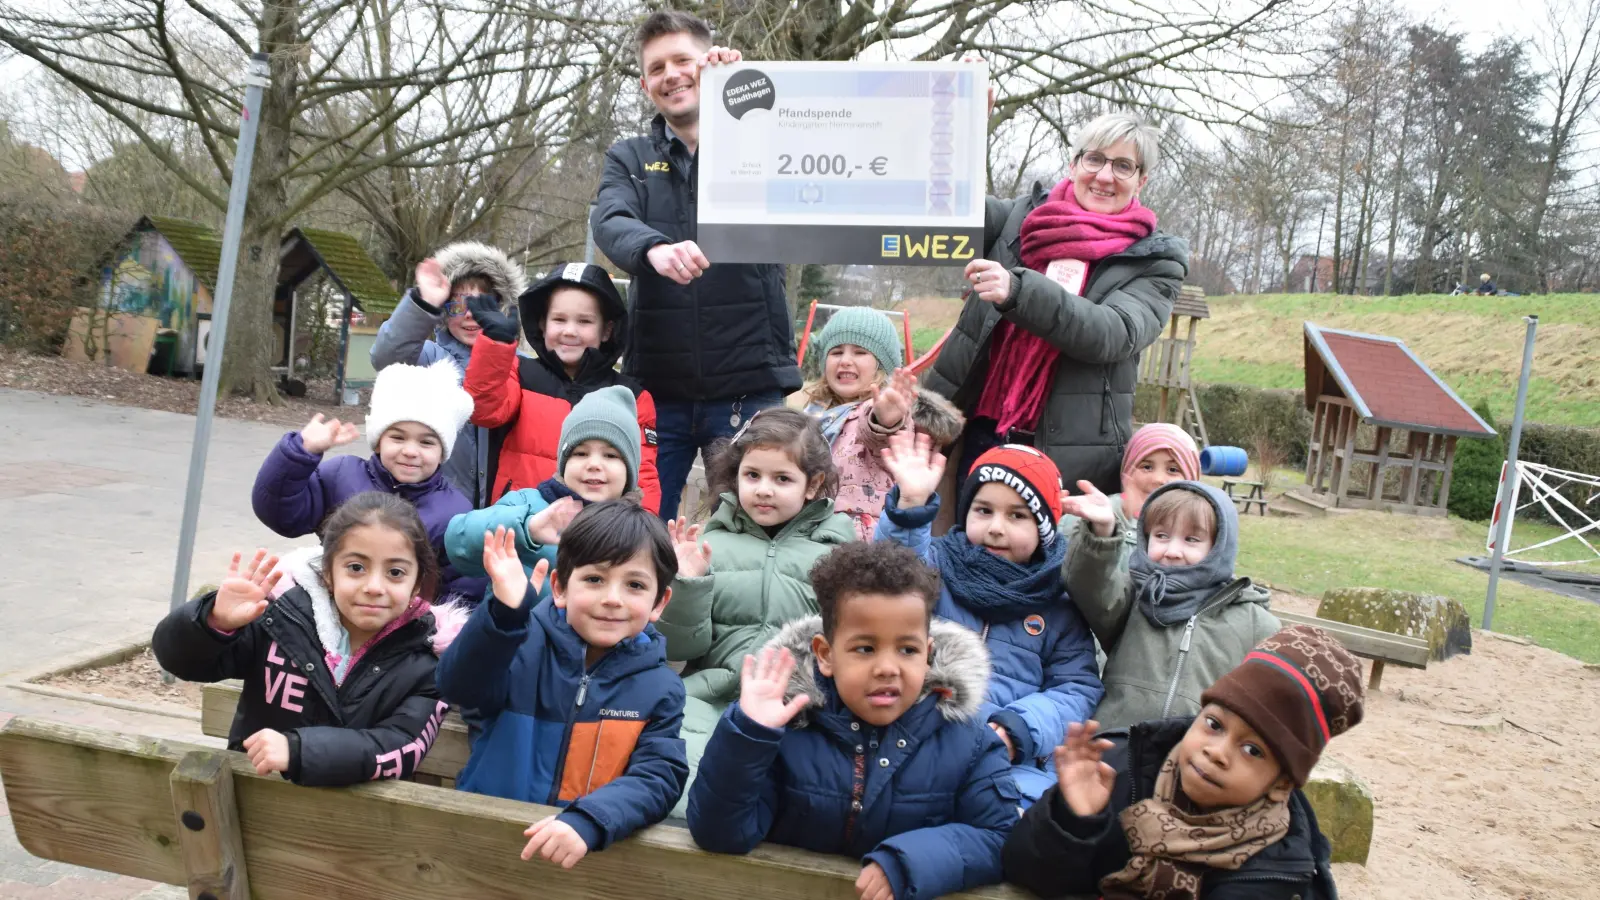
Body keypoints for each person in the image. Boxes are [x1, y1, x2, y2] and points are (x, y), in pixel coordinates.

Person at [687, 540, 1019, 900]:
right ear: (825, 655)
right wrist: (748, 736)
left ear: (928, 655)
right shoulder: (786, 728)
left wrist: (908, 862)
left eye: (907, 649)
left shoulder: (967, 740)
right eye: (865, 648)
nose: (887, 668)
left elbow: (1000, 836)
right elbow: (720, 833)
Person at [591, 10, 801, 521]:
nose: (672, 75)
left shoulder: (758, 138)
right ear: (646, 85)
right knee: (635, 529)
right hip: (656, 390)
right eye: (657, 68)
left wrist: (745, 92)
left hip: (750, 386)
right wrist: (652, 249)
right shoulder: (630, 157)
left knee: (755, 531)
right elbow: (611, 219)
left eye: (683, 60)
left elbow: (817, 158)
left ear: (709, 65)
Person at [923, 112, 1188, 495]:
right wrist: (964, 117)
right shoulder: (1019, 218)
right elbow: (947, 205)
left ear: (1141, 180)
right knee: (967, 549)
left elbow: (1111, 332)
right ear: (1074, 163)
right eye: (1094, 158)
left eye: (1123, 166)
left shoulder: (1155, 260)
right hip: (980, 432)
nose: (1104, 175)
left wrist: (1019, 291)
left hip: (1069, 462)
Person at [1002, 624, 1363, 900]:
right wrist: (1072, 819)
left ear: (1282, 782)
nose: (1218, 752)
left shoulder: (1276, 869)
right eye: (1214, 724)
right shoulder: (1123, 770)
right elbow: (1025, 870)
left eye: (1253, 750)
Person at [434, 501, 687, 868]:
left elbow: (658, 777)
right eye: (594, 579)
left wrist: (590, 819)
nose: (612, 599)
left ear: (659, 602)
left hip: (583, 857)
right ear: (560, 587)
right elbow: (459, 686)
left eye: (634, 584)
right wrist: (504, 617)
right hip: (482, 841)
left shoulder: (661, 688)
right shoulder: (518, 644)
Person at [153, 493, 448, 786]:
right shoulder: (279, 618)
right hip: (254, 796)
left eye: (395, 572)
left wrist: (300, 750)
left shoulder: (428, 658)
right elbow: (180, 661)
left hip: (358, 823)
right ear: (328, 573)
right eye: (356, 568)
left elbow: (402, 746)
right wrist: (214, 621)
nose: (374, 587)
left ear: (416, 584)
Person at [875, 431, 1102, 802]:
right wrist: (912, 505)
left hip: (1007, 761)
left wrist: (1019, 729)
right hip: (914, 740)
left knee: (1013, 827)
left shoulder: (1058, 603)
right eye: (984, 510)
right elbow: (888, 579)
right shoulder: (936, 566)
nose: (996, 527)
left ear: (1044, 529)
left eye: (1017, 515)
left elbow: (1077, 688)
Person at [657, 407, 856, 812]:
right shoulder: (715, 544)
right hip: (712, 695)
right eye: (753, 476)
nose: (764, 489)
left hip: (802, 704)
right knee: (682, 792)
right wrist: (688, 583)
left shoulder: (836, 553)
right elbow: (678, 647)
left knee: (799, 802)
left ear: (813, 485)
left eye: (782, 478)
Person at [1061, 480, 1280, 730]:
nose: (1173, 551)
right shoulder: (1134, 597)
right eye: (1161, 536)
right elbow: (1090, 585)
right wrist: (1102, 531)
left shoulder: (1255, 624)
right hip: (1116, 748)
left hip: (1193, 761)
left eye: (1192, 539)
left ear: (1219, 546)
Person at [251, 359, 475, 595]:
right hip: (331, 608)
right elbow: (281, 513)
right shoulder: (341, 475)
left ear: (443, 452)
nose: (410, 451)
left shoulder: (455, 512)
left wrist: (436, 626)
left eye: (426, 442)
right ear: (378, 442)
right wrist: (299, 453)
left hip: (405, 624)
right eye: (398, 438)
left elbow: (464, 587)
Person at [459, 263, 662, 511]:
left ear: (607, 330)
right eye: (559, 319)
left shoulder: (632, 396)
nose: (569, 331)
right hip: (521, 526)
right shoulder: (519, 373)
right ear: (542, 323)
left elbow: (644, 477)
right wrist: (496, 344)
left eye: (584, 321)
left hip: (597, 535)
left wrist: (641, 535)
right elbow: (484, 409)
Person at [442, 386, 644, 601]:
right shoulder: (528, 505)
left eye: (611, 455)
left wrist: (681, 580)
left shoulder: (640, 531)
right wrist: (525, 528)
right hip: (517, 632)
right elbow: (457, 542)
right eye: (580, 453)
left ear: (630, 470)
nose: (593, 464)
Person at [370, 242, 529, 507]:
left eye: (482, 305)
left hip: (502, 507)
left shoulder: (521, 367)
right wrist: (424, 303)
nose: (469, 315)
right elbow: (387, 356)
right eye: (456, 306)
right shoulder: (430, 358)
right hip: (435, 505)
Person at [790, 306, 965, 539]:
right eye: (836, 352)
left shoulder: (880, 411)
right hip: (808, 526)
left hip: (856, 534)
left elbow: (877, 435)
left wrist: (885, 419)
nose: (845, 361)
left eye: (860, 352)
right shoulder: (814, 413)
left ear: (882, 365)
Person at [1061, 423, 1202, 566]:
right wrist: (1100, 532)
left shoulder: (1204, 525)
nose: (1158, 479)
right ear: (1128, 469)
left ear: (1191, 477)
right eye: (1147, 467)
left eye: (1172, 469)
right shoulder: (1094, 515)